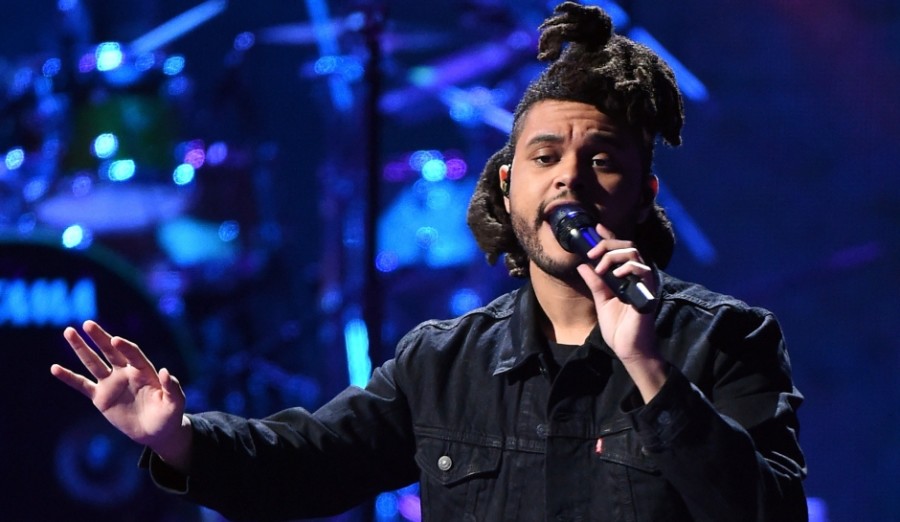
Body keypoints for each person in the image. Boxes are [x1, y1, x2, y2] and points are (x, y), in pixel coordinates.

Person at [51, 2, 808, 521]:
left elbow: (768, 513)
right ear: (511, 188)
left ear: (642, 194)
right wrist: (176, 439)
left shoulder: (726, 342)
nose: (569, 178)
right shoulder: (442, 364)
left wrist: (649, 369)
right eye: (545, 157)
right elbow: (304, 463)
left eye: (600, 159)